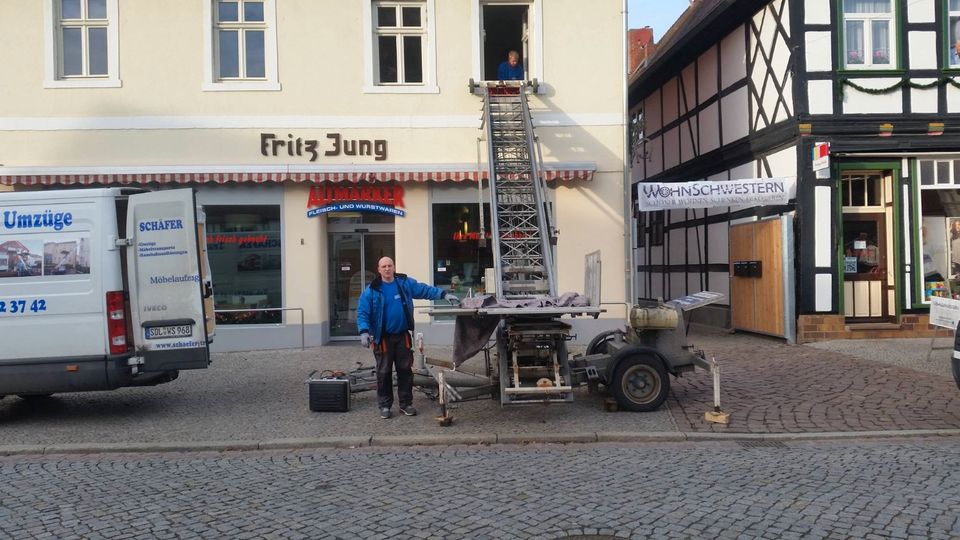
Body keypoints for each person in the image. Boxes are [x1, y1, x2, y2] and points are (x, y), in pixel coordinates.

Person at [356, 257, 458, 419]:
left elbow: (423, 290)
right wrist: (364, 331)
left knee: (405, 371)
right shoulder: (372, 290)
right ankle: (384, 406)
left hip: (402, 336)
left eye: (390, 265)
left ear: (394, 267)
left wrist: (443, 294)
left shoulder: (403, 283)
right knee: (383, 373)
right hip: (382, 339)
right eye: (384, 266)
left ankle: (406, 404)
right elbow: (363, 313)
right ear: (379, 269)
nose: (387, 269)